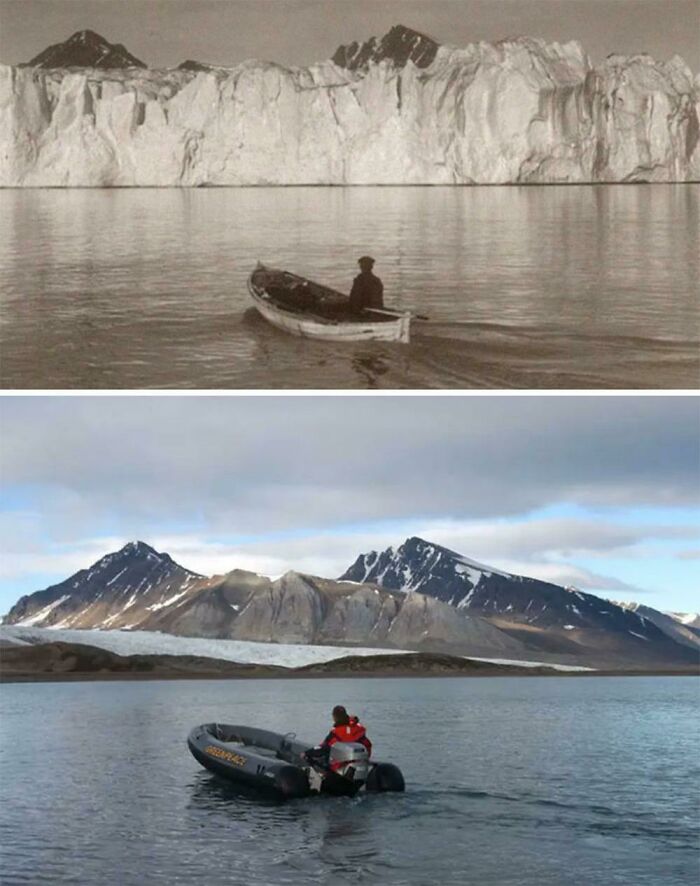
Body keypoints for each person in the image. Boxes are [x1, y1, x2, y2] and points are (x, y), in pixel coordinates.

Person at [306, 705, 372, 770]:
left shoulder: (335, 733)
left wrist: (307, 753)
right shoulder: (358, 729)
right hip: (360, 766)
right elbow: (368, 746)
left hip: (340, 770)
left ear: (334, 717)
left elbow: (324, 747)